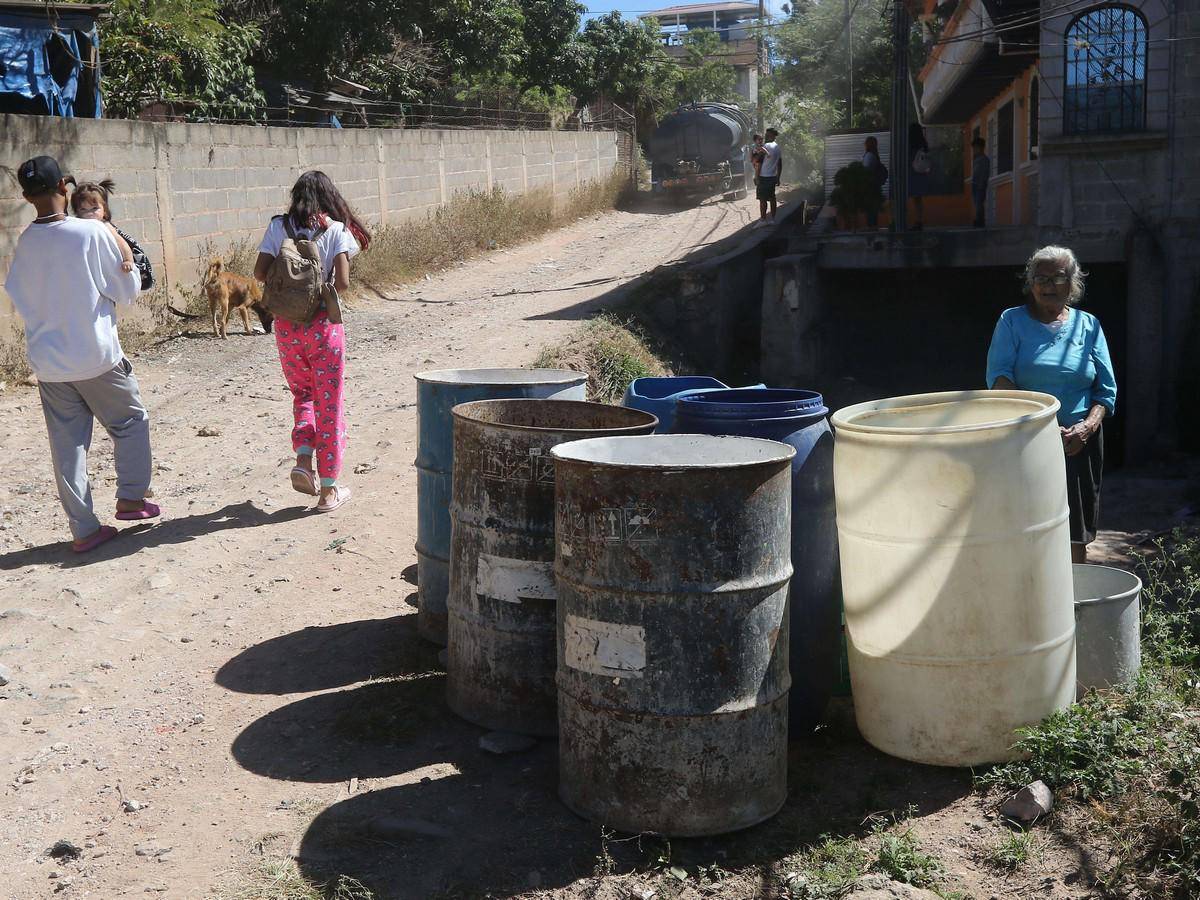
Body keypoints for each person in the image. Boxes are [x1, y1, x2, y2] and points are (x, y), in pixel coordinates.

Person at [3, 156, 159, 553]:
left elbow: (18, 295)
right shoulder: (91, 233)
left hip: (50, 364)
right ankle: (131, 498)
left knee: (67, 446)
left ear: (25, 196)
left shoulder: (26, 241)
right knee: (130, 422)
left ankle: (85, 529)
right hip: (97, 355)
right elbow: (125, 291)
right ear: (65, 188)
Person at [985, 246, 1117, 563]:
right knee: (1027, 526)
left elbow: (1106, 390)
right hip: (1025, 439)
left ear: (1072, 284)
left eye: (1058, 277)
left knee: (1075, 533)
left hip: (1078, 442)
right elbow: (998, 377)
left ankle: (1073, 602)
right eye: (1040, 278)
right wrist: (1040, 421)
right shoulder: (1011, 321)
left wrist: (1087, 426)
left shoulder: (1089, 325)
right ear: (1030, 283)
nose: (1049, 285)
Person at [253, 170, 370, 513]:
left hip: (287, 328)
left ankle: (304, 459)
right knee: (329, 403)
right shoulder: (336, 230)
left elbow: (260, 273)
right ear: (328, 197)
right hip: (323, 328)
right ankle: (329, 490)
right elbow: (344, 283)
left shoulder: (279, 227)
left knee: (302, 394)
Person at [70, 179, 155, 291]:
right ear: (77, 213)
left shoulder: (105, 226)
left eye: (94, 208)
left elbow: (123, 244)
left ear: (104, 210)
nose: (90, 213)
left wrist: (128, 260)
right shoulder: (79, 227)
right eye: (83, 209)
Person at [757, 127, 783, 224]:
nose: (766, 136)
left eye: (767, 135)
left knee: (762, 199)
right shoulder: (777, 148)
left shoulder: (766, 146)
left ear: (772, 136)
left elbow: (759, 163)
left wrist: (756, 176)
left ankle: (763, 219)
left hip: (763, 177)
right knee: (772, 198)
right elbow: (779, 164)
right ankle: (773, 219)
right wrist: (778, 177)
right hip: (772, 177)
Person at [909, 124, 931, 231]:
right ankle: (919, 221)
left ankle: (916, 221)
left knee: (914, 199)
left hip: (913, 174)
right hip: (921, 174)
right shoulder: (923, 144)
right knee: (918, 199)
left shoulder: (910, 145)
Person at [862, 136, 887, 229]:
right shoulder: (874, 155)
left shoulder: (869, 156)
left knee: (870, 209)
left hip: (870, 187)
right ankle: (873, 227)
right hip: (875, 186)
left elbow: (866, 170)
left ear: (868, 144)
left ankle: (871, 228)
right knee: (873, 209)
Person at [971, 135, 990, 228]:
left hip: (980, 185)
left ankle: (980, 220)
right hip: (974, 184)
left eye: (976, 148)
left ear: (981, 148)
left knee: (979, 203)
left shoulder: (984, 159)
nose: (974, 150)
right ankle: (978, 219)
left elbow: (985, 173)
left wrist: (982, 183)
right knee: (976, 203)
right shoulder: (976, 159)